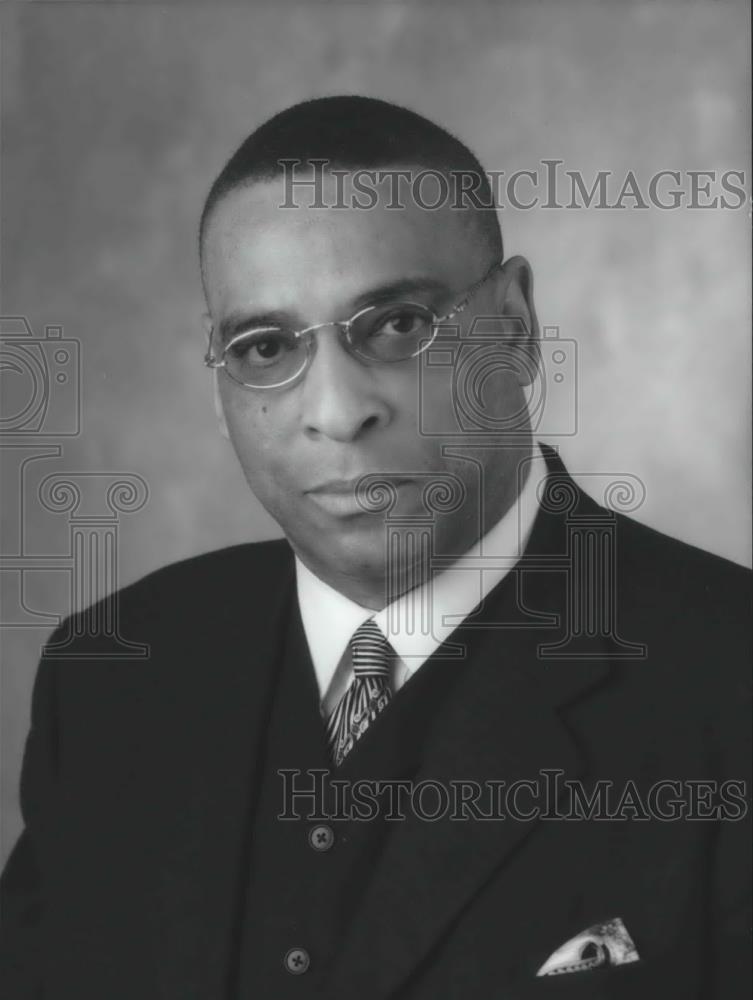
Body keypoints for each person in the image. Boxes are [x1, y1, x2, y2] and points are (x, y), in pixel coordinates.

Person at [1, 96, 750, 1000]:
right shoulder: (111, 676)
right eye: (266, 344)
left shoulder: (727, 678)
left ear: (513, 326)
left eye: (396, 324)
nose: (337, 410)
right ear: (220, 383)